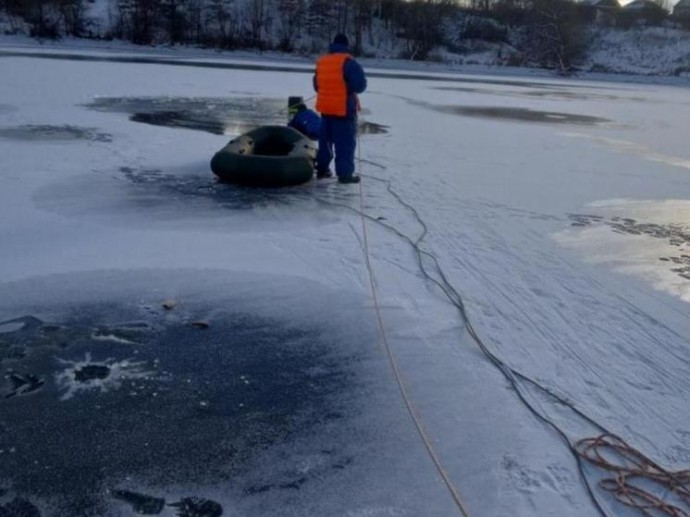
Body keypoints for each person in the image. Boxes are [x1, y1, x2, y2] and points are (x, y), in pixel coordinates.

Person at [313, 33, 367, 184]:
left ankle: (322, 170)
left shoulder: (322, 62)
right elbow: (360, 86)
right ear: (346, 46)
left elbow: (316, 86)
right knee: (345, 145)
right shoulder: (348, 62)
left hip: (326, 111)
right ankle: (345, 175)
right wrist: (347, 86)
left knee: (325, 143)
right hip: (343, 111)